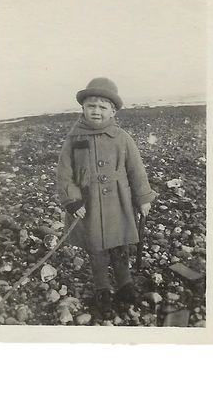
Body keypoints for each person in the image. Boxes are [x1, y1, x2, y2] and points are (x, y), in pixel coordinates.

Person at [56, 78, 156, 315]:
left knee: (120, 244)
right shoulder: (74, 137)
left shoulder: (122, 137)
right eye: (91, 106)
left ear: (113, 110)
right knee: (96, 247)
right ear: (83, 108)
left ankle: (125, 283)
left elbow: (136, 169)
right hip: (88, 203)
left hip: (118, 201)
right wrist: (72, 200)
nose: (96, 111)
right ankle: (102, 287)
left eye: (103, 107)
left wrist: (143, 198)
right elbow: (64, 172)